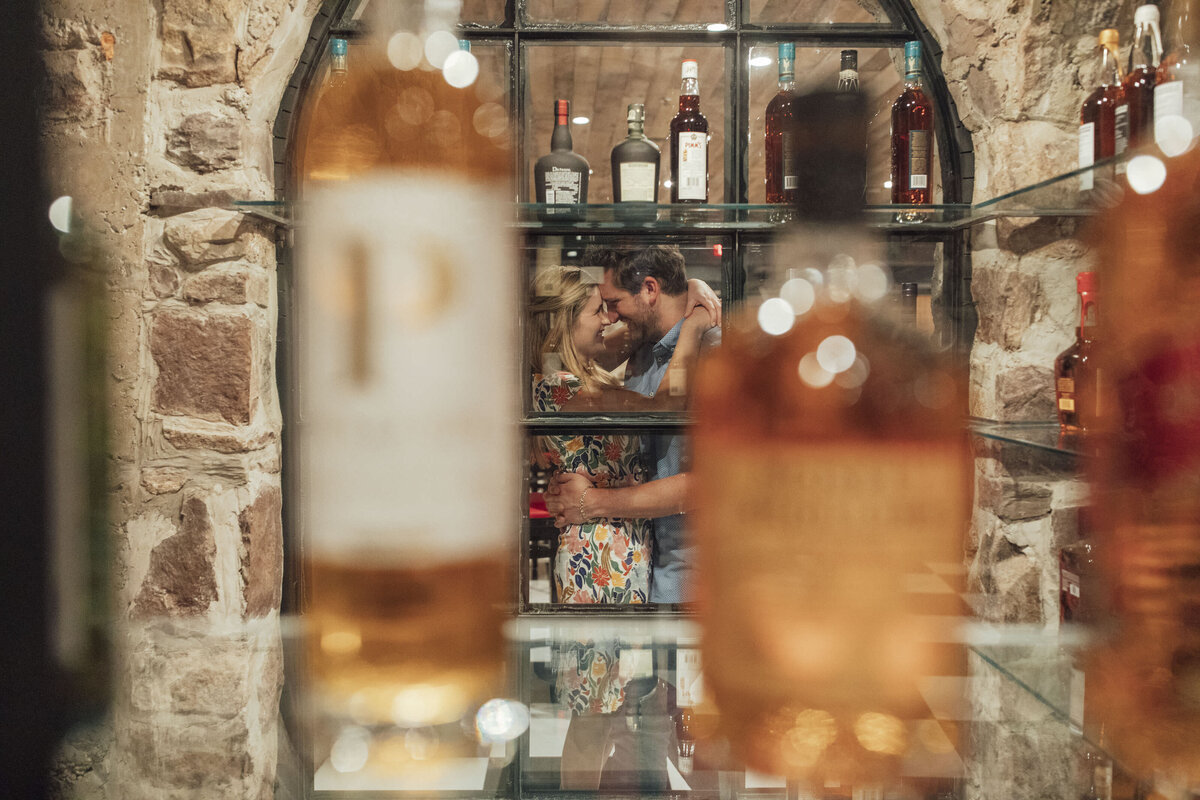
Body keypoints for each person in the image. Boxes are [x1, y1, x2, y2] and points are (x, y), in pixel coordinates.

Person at [547, 245, 720, 604]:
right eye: (602, 308)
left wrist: (593, 501)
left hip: (691, 579)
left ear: (650, 291)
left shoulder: (715, 355)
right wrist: (694, 290)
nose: (610, 317)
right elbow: (569, 348)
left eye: (614, 302)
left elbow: (713, 482)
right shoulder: (640, 349)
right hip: (631, 567)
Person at [528, 265, 652, 603]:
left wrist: (691, 290)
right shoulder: (558, 384)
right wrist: (696, 324)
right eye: (598, 310)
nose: (608, 319)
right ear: (564, 323)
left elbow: (632, 332)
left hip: (616, 544)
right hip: (599, 552)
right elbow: (668, 402)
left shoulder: (576, 375)